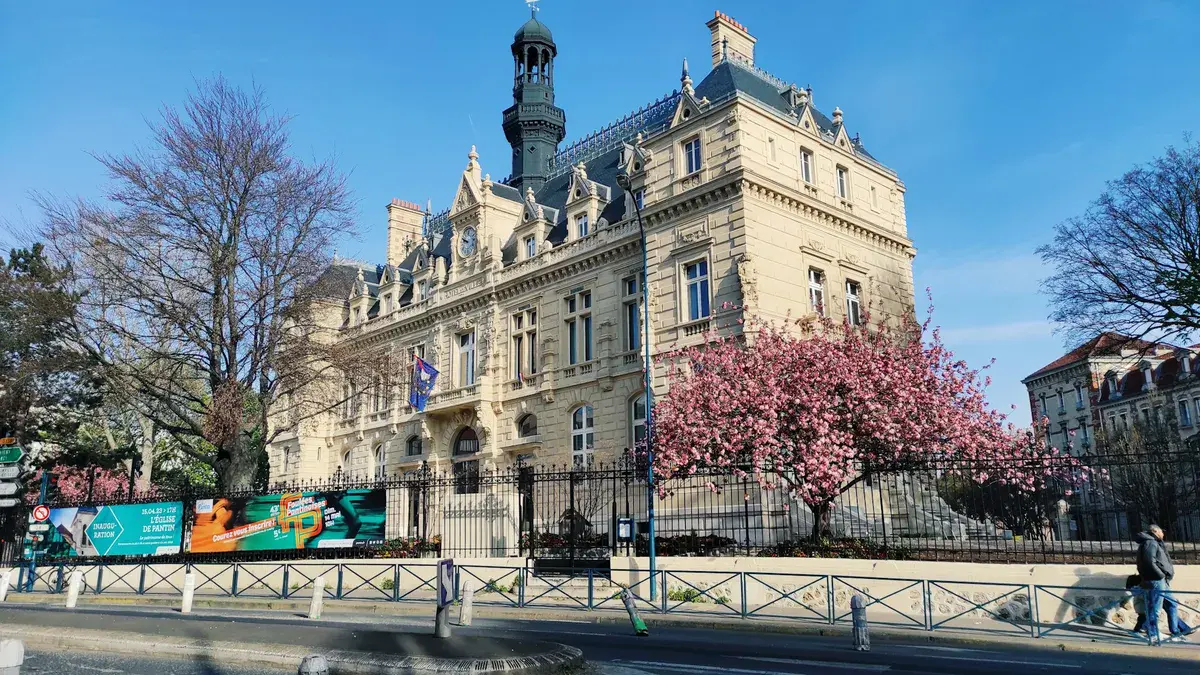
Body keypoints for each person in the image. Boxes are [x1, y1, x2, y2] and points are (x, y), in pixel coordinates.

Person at [1135, 525, 1193, 642]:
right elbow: (1149, 562)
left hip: (1160, 580)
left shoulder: (1153, 542)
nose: (1163, 534)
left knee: (1171, 603)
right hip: (1156, 580)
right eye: (1162, 531)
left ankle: (1175, 631)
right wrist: (1160, 575)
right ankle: (1153, 633)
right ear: (1155, 531)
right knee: (1155, 608)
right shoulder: (1150, 543)